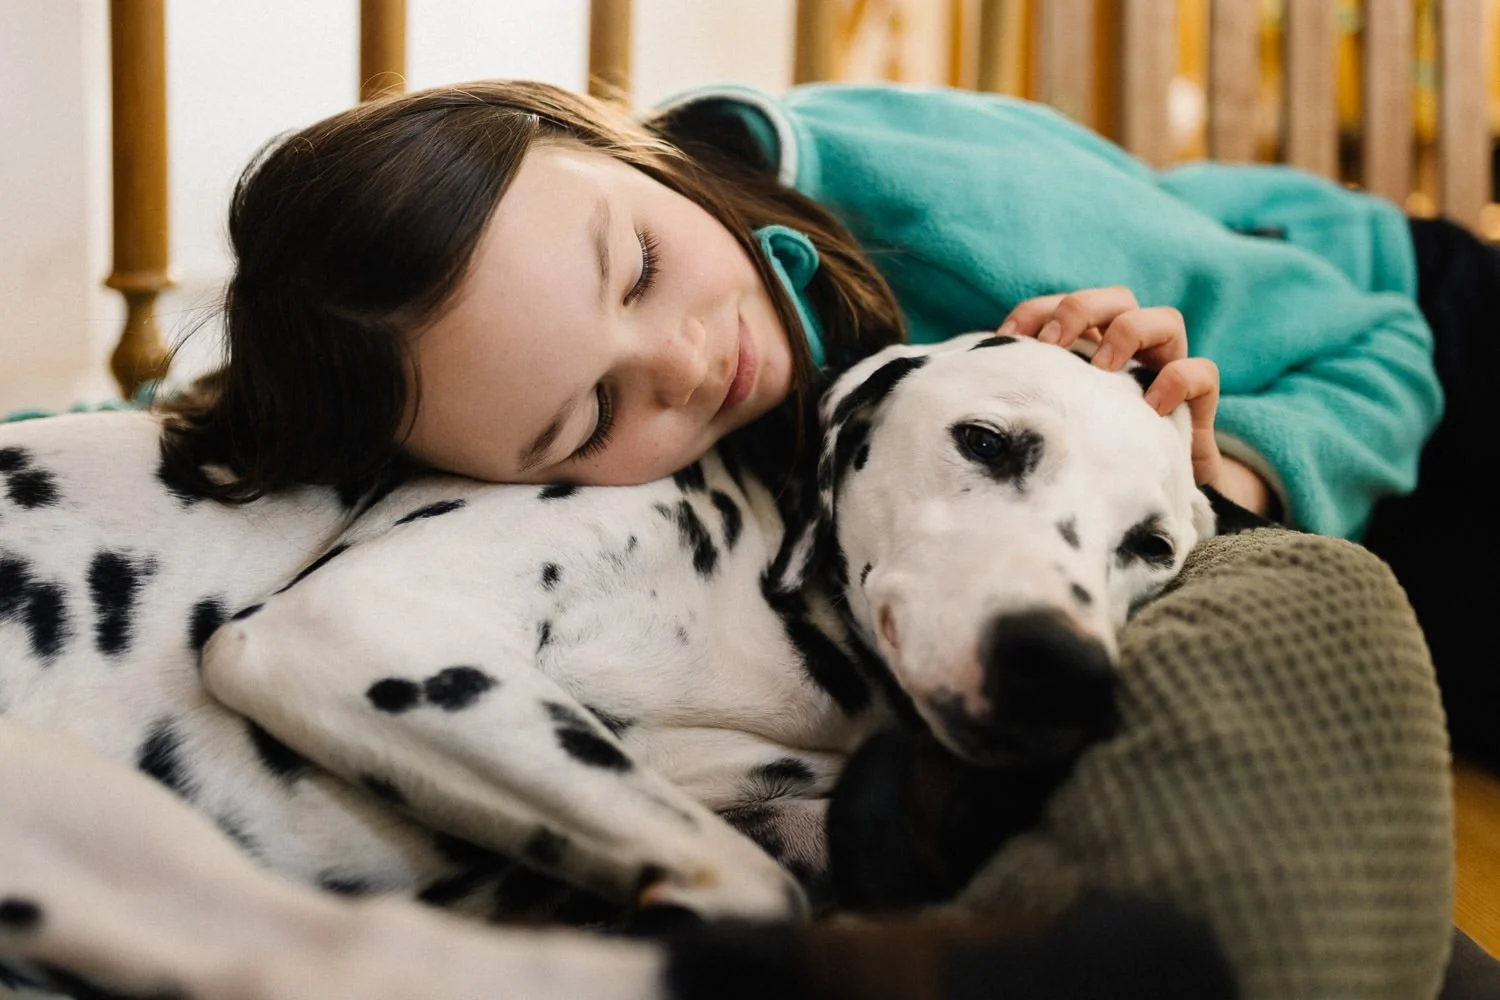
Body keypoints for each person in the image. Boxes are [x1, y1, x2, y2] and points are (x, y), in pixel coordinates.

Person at [157, 79, 1491, 769]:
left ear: (604, 140)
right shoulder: (502, 404)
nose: (687, 364)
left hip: (1415, 330)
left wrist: (1225, 469)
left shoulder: (942, 214)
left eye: (638, 269)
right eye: (590, 414)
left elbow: (1380, 343)